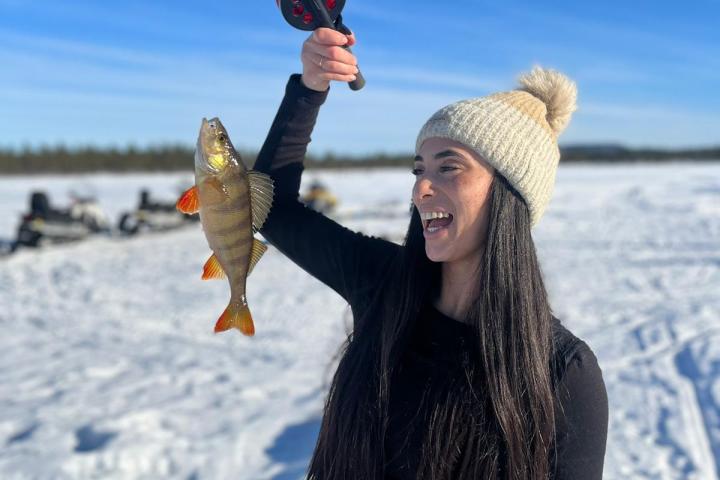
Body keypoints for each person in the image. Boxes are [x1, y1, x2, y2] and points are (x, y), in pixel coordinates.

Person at [254, 28, 608, 480]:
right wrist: (309, 89)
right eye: (419, 169)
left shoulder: (561, 372)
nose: (421, 188)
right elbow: (272, 209)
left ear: (509, 194)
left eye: (449, 167)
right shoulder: (385, 284)